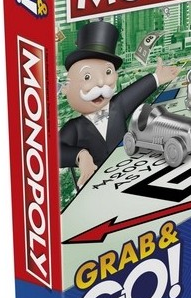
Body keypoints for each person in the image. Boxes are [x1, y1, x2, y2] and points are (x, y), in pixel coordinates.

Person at [60, 21, 179, 187]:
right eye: (87, 77)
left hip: (130, 173)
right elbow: (55, 151)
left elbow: (136, 92)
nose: (100, 83)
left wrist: (157, 78)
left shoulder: (117, 106)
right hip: (99, 185)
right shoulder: (75, 127)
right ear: (66, 88)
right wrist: (80, 155)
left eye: (107, 72)